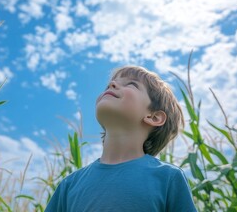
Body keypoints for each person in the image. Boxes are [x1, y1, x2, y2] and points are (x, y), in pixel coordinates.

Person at [45, 65, 197, 212]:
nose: (112, 84)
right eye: (110, 84)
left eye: (131, 84)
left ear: (154, 117)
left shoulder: (168, 178)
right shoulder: (69, 185)